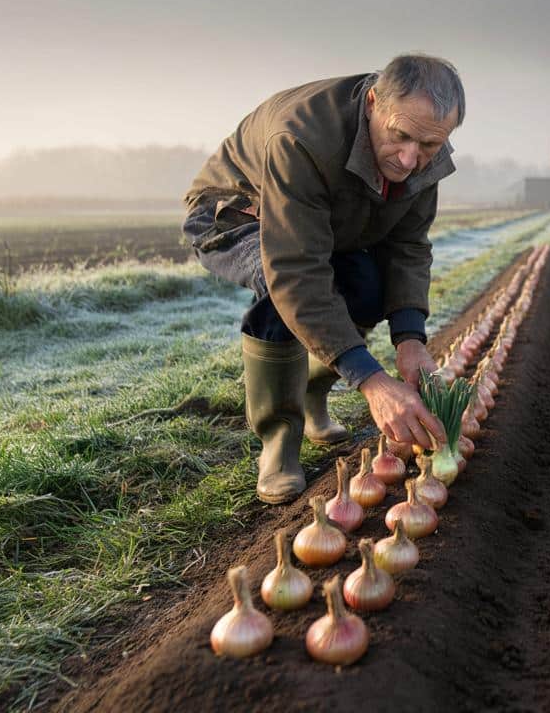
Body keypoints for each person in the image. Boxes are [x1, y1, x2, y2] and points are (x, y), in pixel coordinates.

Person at [181, 54, 463, 504]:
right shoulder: (302, 138)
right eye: (401, 137)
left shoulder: (425, 150)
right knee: (280, 293)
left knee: (370, 290)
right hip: (236, 213)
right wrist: (372, 381)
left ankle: (312, 390)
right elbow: (295, 270)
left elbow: (408, 246)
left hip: (328, 221)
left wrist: (410, 339)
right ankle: (278, 440)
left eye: (428, 145)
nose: (411, 158)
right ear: (374, 103)